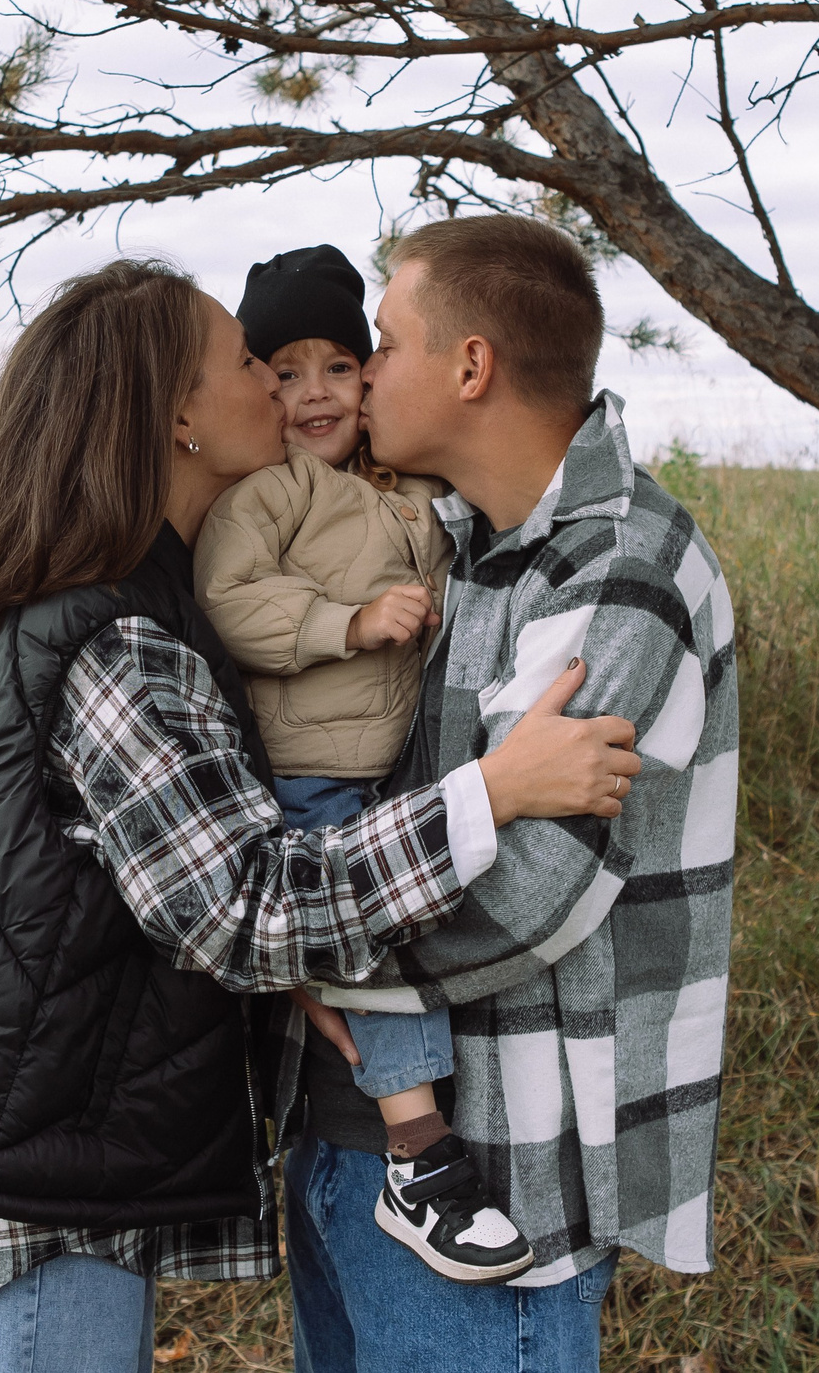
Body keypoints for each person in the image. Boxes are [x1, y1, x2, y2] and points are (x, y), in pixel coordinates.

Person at [0, 258, 645, 1372]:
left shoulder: (152, 586)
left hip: (50, 1123)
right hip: (30, 1165)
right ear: (178, 413)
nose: (283, 390)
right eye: (244, 362)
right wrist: (493, 789)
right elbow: (242, 898)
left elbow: (168, 864)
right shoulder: (117, 641)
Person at [282, 216, 741, 1373]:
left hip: (497, 1172)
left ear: (471, 364)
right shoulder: (452, 536)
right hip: (347, 1134)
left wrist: (283, 943)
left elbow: (529, 891)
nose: (365, 368)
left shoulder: (617, 573)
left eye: (384, 341)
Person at [194, 244, 532, 1284]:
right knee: (375, 932)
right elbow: (230, 599)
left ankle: (407, 1133)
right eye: (282, 370)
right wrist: (345, 620)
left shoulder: (399, 491)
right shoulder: (271, 495)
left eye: (338, 365)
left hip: (386, 765)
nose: (311, 393)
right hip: (309, 771)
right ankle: (417, 1150)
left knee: (405, 919)